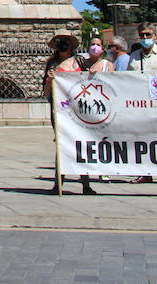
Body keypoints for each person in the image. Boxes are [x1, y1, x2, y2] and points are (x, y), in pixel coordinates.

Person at [43, 32, 95, 194]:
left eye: (66, 42)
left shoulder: (80, 61)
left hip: (80, 108)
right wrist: (50, 80)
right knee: (62, 144)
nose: (63, 45)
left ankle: (85, 183)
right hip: (61, 110)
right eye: (60, 42)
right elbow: (46, 92)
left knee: (82, 144)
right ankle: (59, 183)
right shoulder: (51, 64)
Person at [126, 22, 157, 185]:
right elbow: (126, 78)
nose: (145, 38)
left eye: (148, 35)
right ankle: (145, 172)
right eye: (142, 35)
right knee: (142, 138)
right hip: (140, 104)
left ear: (155, 36)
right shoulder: (134, 56)